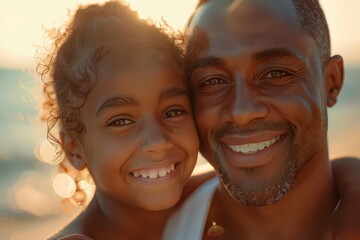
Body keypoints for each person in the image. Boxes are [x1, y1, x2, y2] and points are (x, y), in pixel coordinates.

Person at [163, 0, 360, 239]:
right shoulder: (155, 228)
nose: (242, 111)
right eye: (212, 81)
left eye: (275, 74)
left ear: (331, 81)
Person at [38, 1, 201, 239]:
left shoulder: (213, 197)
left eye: (173, 112)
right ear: (74, 148)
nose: (157, 140)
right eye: (121, 121)